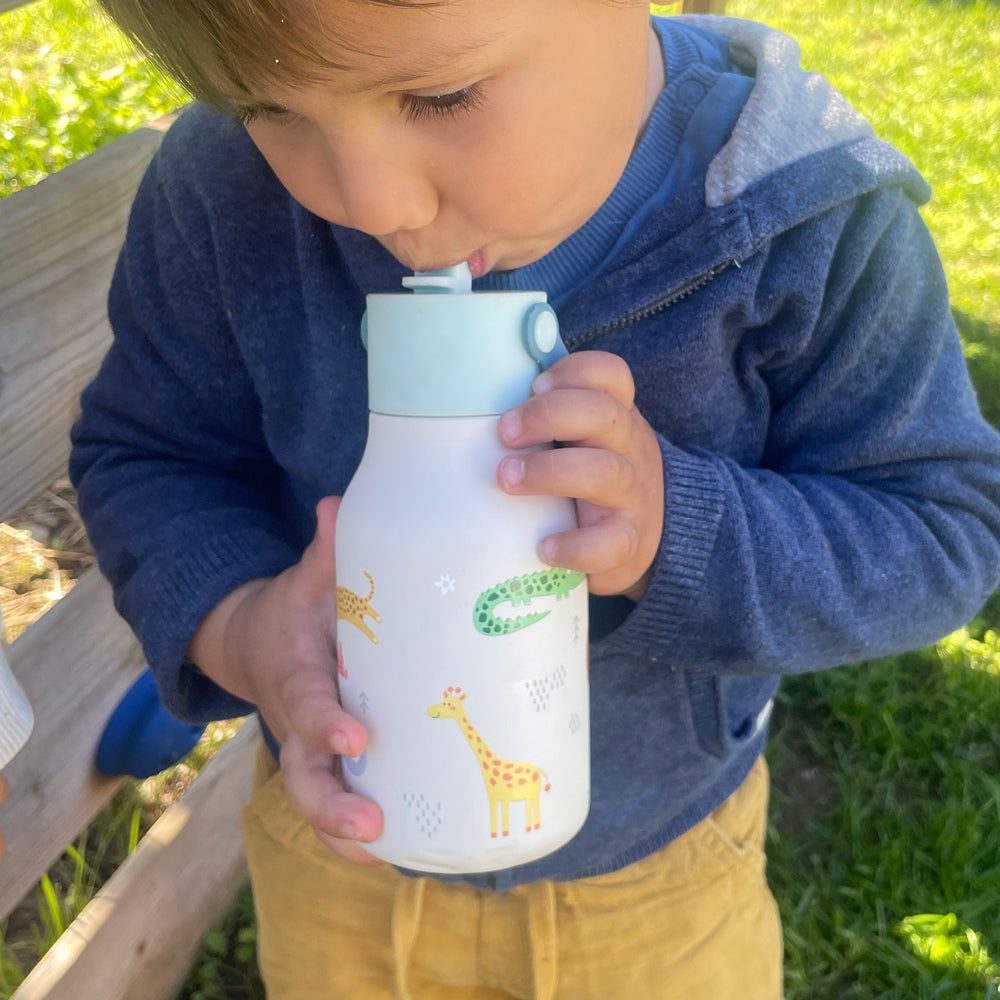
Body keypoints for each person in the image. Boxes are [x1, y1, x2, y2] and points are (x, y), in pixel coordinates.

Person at [68, 0, 1000, 996]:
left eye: (439, 96)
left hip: (653, 874)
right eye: (265, 106)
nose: (374, 201)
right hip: (343, 852)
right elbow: (151, 455)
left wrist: (672, 529)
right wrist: (237, 622)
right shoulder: (222, 193)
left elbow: (938, 530)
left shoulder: (803, 218)